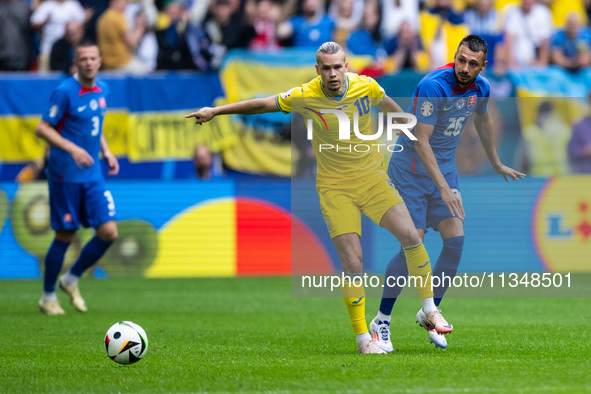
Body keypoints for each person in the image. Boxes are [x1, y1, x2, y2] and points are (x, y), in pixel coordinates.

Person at [185, 41, 453, 354]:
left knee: (411, 236)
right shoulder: (305, 95)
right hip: (334, 187)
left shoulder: (367, 87)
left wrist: (417, 140)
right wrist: (216, 111)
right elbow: (262, 104)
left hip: (373, 181)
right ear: (318, 70)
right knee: (353, 262)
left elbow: (396, 113)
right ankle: (363, 340)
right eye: (326, 68)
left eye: (338, 66)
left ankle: (429, 310)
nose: (333, 73)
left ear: (347, 66)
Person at [370, 35, 525, 351]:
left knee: (455, 242)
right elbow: (421, 141)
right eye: (461, 59)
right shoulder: (434, 86)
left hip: (444, 171)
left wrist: (495, 162)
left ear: (483, 66)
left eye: (472, 63)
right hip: (411, 171)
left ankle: (430, 313)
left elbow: (482, 122)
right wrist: (445, 188)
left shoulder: (481, 90)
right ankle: (381, 320)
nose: (464, 68)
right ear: (455, 56)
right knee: (412, 243)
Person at [35, 41, 119, 315]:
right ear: (76, 62)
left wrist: (106, 152)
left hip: (92, 173)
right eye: (83, 58)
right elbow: (42, 128)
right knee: (66, 234)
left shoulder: (103, 89)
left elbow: (95, 124)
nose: (88, 63)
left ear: (100, 60)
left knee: (108, 232)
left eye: (93, 58)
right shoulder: (64, 92)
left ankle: (71, 279)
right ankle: (48, 297)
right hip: (65, 174)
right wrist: (72, 149)